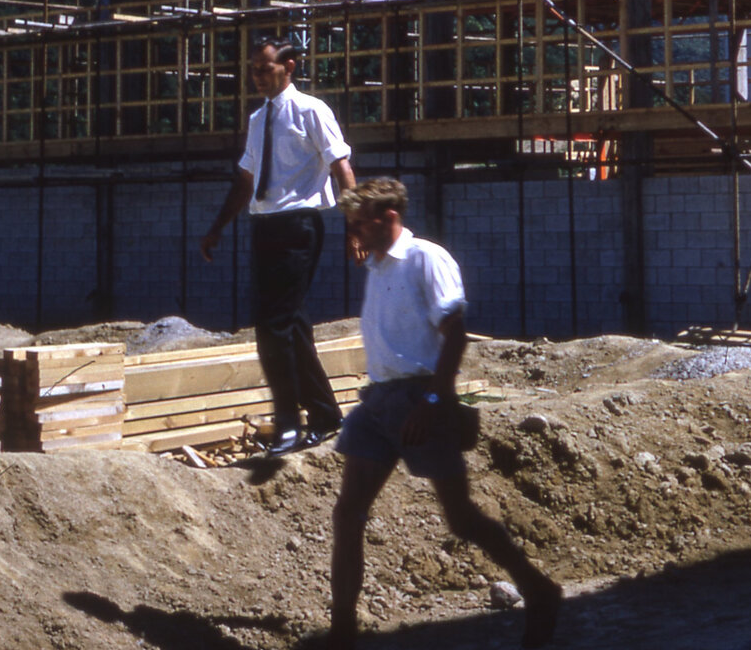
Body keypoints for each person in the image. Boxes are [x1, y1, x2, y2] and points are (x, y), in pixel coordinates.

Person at [329, 179, 562, 650]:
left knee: (461, 517)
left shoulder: (426, 260)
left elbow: (455, 335)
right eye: (350, 226)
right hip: (378, 402)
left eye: (360, 224)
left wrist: (433, 402)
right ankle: (342, 633)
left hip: (421, 399)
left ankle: (539, 590)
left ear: (389, 217)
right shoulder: (377, 265)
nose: (354, 235)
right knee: (348, 513)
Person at [200, 35, 355, 457]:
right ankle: (325, 414)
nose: (257, 77)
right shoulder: (258, 120)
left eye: (265, 69)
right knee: (291, 324)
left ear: (289, 67)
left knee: (272, 327)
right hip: (264, 226)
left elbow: (341, 166)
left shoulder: (310, 110)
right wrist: (217, 227)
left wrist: (356, 224)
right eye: (253, 70)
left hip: (298, 226)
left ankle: (288, 424)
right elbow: (247, 180)